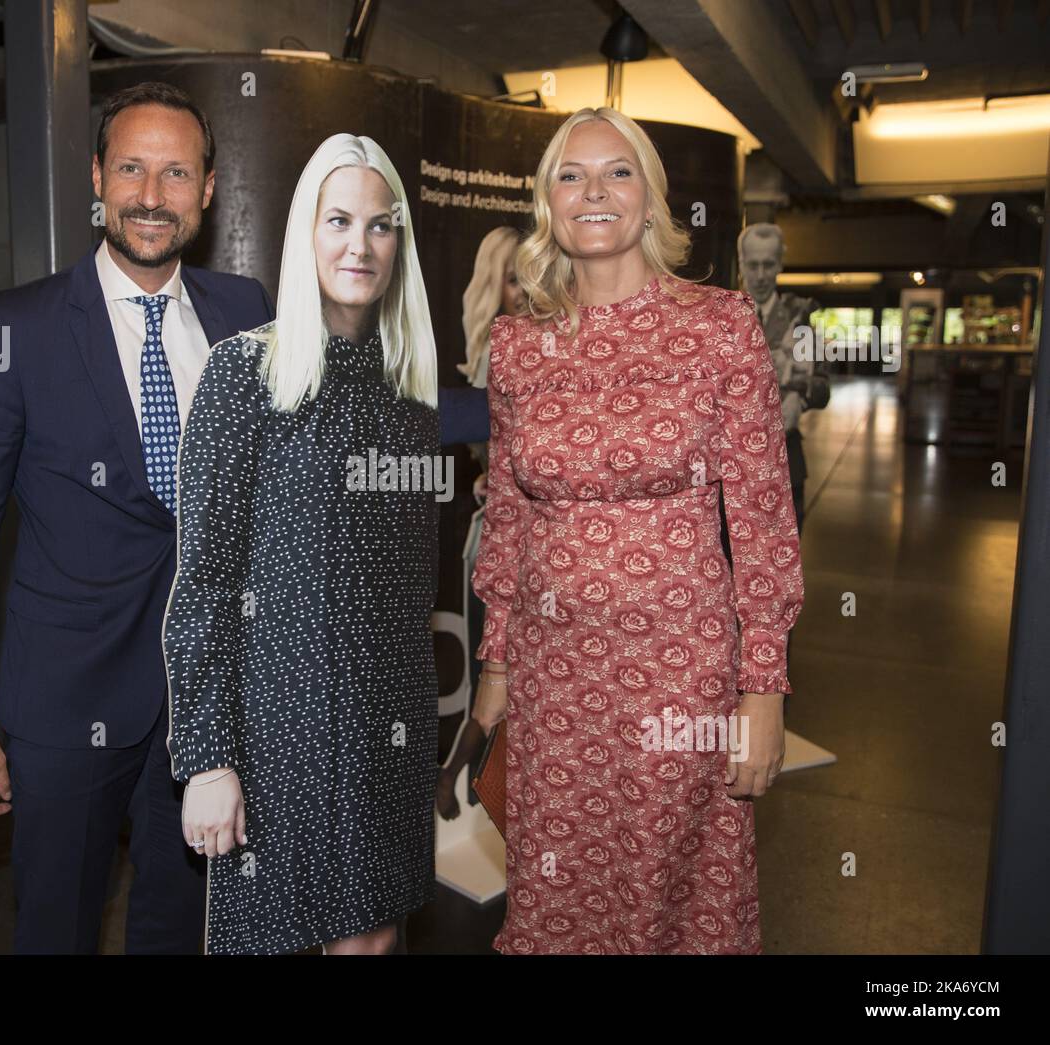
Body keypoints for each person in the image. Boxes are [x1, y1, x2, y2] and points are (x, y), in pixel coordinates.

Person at [0, 82, 273, 953]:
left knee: (185, 925)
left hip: (209, 704)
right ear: (96, 177)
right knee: (56, 929)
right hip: (64, 704)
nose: (152, 195)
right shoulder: (17, 328)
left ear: (210, 189)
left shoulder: (246, 312)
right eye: (132, 169)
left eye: (176, 173)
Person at [470, 107, 804, 954]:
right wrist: (497, 665)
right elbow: (507, 514)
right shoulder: (516, 346)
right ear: (548, 201)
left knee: (664, 889)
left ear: (651, 198)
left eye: (616, 171)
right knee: (554, 883)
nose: (593, 191)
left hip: (680, 669)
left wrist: (762, 690)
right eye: (570, 174)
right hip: (553, 675)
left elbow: (762, 517)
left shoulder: (720, 326)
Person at [163, 132, 441, 955]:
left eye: (381, 225)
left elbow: (410, 589)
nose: (361, 244)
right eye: (339, 220)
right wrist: (209, 759)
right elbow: (206, 579)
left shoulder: (409, 392)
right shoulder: (243, 373)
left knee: (374, 942)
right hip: (279, 732)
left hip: (386, 725)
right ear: (305, 233)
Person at [437, 225, 526, 820]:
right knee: (496, 677)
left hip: (513, 535)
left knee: (504, 677)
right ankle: (467, 787)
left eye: (531, 276)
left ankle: (465, 786)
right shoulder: (506, 349)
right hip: (498, 539)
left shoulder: (530, 343)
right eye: (512, 278)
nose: (523, 291)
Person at [737, 223, 828, 532]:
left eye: (768, 265)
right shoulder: (724, 317)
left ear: (779, 265)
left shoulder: (800, 319)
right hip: (734, 464)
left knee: (783, 559)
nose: (760, 275)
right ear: (741, 264)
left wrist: (799, 398)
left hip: (787, 460)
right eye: (753, 265)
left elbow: (823, 389)